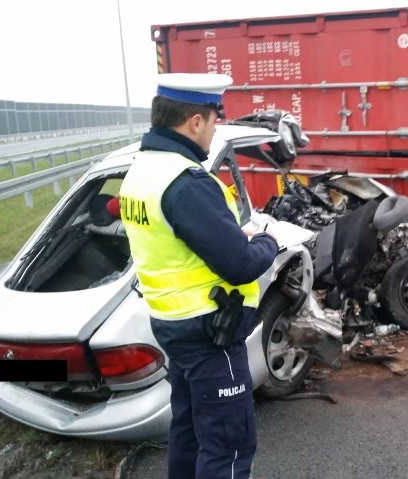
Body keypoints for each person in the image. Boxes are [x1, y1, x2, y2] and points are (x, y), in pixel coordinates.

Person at [119, 72, 279, 477]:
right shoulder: (186, 182)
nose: (214, 131)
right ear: (195, 121)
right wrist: (267, 241)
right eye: (213, 121)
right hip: (210, 332)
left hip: (172, 324)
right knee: (228, 444)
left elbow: (180, 241)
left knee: (189, 430)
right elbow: (240, 264)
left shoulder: (141, 171)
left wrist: (230, 239)